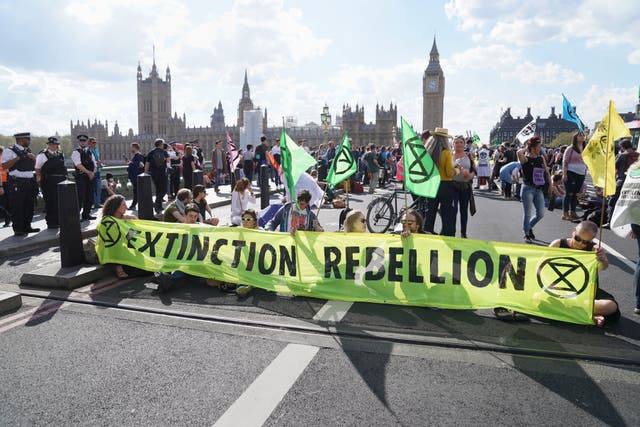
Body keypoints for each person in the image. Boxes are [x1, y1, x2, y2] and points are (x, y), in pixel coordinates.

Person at [549, 221, 619, 327]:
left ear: (591, 240)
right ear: (573, 231)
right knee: (536, 298)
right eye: (577, 238)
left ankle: (568, 310)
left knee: (610, 306)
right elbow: (542, 266)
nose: (580, 244)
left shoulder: (594, 250)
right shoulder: (557, 244)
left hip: (586, 291)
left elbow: (602, 267)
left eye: (585, 242)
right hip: (559, 288)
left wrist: (603, 259)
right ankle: (587, 314)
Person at [153, 203, 207, 293]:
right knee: (178, 275)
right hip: (181, 261)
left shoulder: (200, 228)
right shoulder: (177, 229)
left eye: (195, 216)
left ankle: (165, 280)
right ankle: (164, 278)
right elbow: (171, 250)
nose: (193, 219)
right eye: (190, 216)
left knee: (202, 279)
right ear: (184, 215)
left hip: (196, 262)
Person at [101, 195, 149, 279]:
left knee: (149, 269)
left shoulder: (126, 218)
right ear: (115, 207)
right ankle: (119, 269)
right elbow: (113, 244)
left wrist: (134, 224)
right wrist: (119, 267)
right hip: (112, 252)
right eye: (123, 205)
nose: (126, 207)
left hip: (126, 249)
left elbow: (131, 238)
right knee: (142, 271)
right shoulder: (108, 222)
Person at [1, 132, 39, 236]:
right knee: (17, 206)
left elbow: (33, 166)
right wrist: (18, 158)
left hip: (30, 182)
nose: (30, 141)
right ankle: (18, 228)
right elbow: (4, 166)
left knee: (29, 206)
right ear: (22, 140)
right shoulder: (9, 151)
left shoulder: (28, 151)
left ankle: (27, 226)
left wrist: (34, 159)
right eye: (28, 139)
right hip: (17, 182)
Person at [517, 135, 551, 242]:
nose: (540, 148)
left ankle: (528, 226)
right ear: (533, 147)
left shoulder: (541, 158)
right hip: (528, 189)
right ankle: (526, 233)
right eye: (538, 146)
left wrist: (551, 184)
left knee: (540, 213)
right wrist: (527, 148)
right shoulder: (525, 159)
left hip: (539, 189)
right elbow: (518, 153)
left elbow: (547, 172)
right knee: (527, 213)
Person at [423, 128, 456, 236]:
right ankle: (447, 233)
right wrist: (457, 170)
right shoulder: (446, 153)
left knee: (430, 210)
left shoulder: (428, 152)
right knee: (447, 211)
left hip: (431, 184)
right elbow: (449, 172)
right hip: (445, 184)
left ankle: (428, 230)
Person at [35, 136, 67, 229]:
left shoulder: (61, 154)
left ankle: (58, 220)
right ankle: (51, 222)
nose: (52, 146)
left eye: (54, 144)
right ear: (48, 145)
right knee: (50, 202)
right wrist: (39, 178)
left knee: (59, 201)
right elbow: (37, 168)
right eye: (50, 144)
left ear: (57, 146)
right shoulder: (42, 155)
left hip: (60, 180)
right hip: (48, 181)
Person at [451, 135, 476, 238]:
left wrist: (470, 175)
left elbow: (474, 170)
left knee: (463, 210)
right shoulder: (450, 156)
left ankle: (463, 232)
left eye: (461, 142)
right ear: (453, 144)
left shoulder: (469, 156)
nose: (459, 144)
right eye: (456, 142)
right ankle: (452, 231)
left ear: (464, 144)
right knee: (453, 210)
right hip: (452, 186)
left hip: (465, 187)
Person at [235, 208, 262, 296]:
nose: (245, 221)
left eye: (248, 219)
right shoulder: (239, 231)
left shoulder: (261, 232)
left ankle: (250, 284)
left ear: (254, 221)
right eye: (243, 219)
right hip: (244, 262)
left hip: (257, 262)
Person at [562, 131, 588, 221]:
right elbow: (565, 161)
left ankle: (573, 212)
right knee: (569, 193)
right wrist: (564, 174)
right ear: (575, 137)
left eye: (583, 135)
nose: (582, 137)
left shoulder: (585, 149)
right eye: (579, 135)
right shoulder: (570, 148)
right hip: (571, 172)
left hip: (581, 173)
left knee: (575, 194)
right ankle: (565, 213)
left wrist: (585, 172)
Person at [71, 134, 98, 221]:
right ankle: (76, 216)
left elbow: (94, 163)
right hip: (81, 177)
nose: (83, 142)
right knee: (80, 197)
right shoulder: (76, 152)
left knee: (89, 197)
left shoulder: (90, 152)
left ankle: (86, 214)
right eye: (81, 141)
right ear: (79, 142)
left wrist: (93, 173)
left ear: (87, 142)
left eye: (84, 141)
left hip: (90, 177)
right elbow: (78, 164)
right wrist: (88, 172)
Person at [144, 138, 169, 214]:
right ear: (161, 145)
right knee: (164, 190)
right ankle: (157, 204)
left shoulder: (151, 152)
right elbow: (168, 161)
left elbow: (147, 163)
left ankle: (158, 205)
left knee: (158, 189)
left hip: (154, 174)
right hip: (163, 173)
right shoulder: (164, 152)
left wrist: (145, 172)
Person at [126, 142, 145, 210]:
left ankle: (133, 205)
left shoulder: (139, 156)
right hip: (135, 176)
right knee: (138, 191)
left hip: (136, 177)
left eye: (131, 147)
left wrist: (131, 163)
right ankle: (135, 205)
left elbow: (141, 165)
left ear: (135, 148)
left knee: (137, 191)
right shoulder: (136, 156)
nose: (130, 149)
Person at [88, 137, 103, 208]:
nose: (95, 144)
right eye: (93, 142)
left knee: (98, 187)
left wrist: (100, 163)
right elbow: (89, 161)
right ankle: (94, 203)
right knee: (93, 188)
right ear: (89, 143)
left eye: (95, 142)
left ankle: (98, 203)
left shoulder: (96, 149)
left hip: (98, 171)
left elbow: (98, 158)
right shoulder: (87, 150)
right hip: (92, 171)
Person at [0, 146, 10, 227]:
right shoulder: (5, 159)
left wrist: (1, 186)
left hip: (3, 183)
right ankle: (8, 218)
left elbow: (2, 174)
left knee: (3, 203)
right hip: (6, 183)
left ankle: (7, 217)